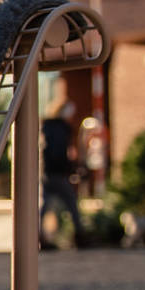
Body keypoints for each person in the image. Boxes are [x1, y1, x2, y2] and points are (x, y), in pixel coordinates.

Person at [40, 98, 82, 251]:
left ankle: (39, 235)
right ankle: (80, 234)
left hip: (47, 171)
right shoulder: (60, 128)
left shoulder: (47, 126)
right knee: (71, 201)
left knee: (45, 205)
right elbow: (59, 152)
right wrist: (69, 167)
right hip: (57, 172)